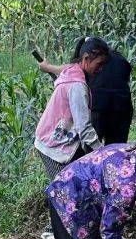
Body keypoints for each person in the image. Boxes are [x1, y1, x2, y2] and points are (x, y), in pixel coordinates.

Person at [34, 36, 110, 181]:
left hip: (52, 137)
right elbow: (84, 128)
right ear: (86, 58)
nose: (101, 69)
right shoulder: (77, 87)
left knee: (74, 185)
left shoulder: (72, 70)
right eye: (99, 64)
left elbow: (62, 68)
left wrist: (47, 67)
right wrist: (103, 153)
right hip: (53, 147)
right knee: (65, 189)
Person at [39, 37, 135, 145]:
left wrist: (47, 67)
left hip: (100, 108)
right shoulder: (117, 58)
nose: (101, 69)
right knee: (117, 148)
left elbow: (70, 68)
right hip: (122, 108)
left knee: (91, 150)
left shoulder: (88, 68)